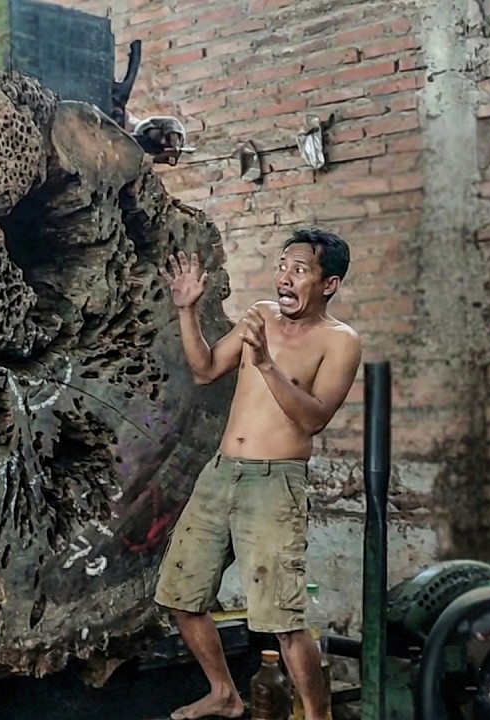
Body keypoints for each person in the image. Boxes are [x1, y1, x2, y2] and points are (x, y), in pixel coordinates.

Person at [153, 228, 362, 720]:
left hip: (276, 482)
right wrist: (186, 310)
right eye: (282, 266)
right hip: (222, 473)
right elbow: (205, 369)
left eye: (300, 270)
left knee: (282, 621)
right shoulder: (261, 314)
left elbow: (312, 418)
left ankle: (317, 715)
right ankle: (223, 694)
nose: (285, 278)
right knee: (181, 595)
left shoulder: (340, 342)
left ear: (328, 284)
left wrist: (267, 364)